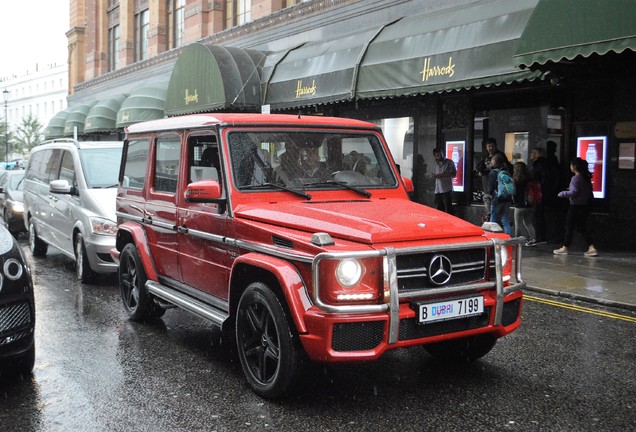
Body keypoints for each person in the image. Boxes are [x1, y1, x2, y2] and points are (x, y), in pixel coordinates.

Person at [553, 157, 598, 257]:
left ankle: (565, 247)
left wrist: (562, 193)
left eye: (571, 165)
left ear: (574, 167)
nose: (570, 167)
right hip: (585, 206)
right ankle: (591, 247)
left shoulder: (575, 178)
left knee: (569, 226)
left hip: (575, 206)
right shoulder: (585, 178)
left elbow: (573, 192)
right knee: (581, 227)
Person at [477, 138, 508, 222]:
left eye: (492, 146)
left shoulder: (500, 156)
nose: (490, 148)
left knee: (496, 213)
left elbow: (506, 168)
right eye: (489, 146)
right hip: (486, 186)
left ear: (495, 146)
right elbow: (479, 169)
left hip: (497, 189)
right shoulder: (485, 156)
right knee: (489, 212)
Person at [512, 161, 536, 246]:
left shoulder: (516, 180)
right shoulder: (530, 179)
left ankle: (518, 241)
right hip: (530, 205)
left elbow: (514, 193)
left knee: (518, 224)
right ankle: (532, 239)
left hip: (519, 206)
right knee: (528, 223)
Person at [488, 153, 512, 235]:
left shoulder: (493, 173)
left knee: (493, 219)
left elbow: (490, 188)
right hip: (507, 199)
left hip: (497, 199)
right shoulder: (506, 171)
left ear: (494, 161)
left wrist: (491, 194)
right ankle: (508, 237)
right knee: (505, 219)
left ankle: (492, 237)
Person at [529, 147, 548, 243]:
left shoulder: (538, 164)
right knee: (539, 214)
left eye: (532, 152)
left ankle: (539, 236)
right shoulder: (544, 163)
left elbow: (536, 177)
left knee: (538, 214)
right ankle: (540, 236)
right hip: (542, 191)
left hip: (538, 192)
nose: (530, 154)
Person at [432, 147, 456, 214]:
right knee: (439, 210)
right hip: (438, 190)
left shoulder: (449, 162)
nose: (438, 157)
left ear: (443, 154)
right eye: (436, 156)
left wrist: (441, 175)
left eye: (440, 155)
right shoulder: (436, 164)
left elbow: (453, 174)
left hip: (446, 189)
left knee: (448, 209)